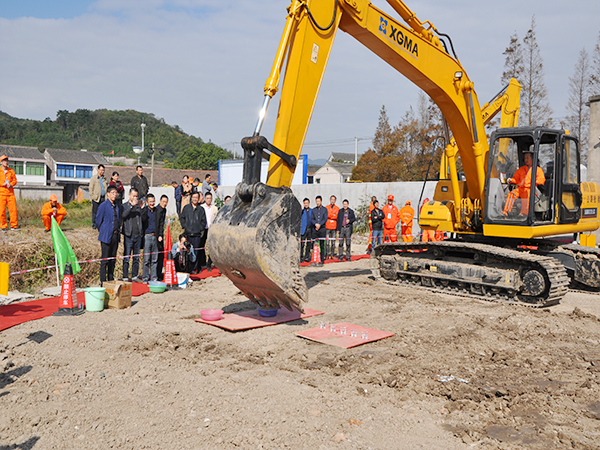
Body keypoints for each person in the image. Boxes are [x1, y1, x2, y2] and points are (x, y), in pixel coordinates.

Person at [502, 150, 545, 217]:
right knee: (511, 194)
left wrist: (535, 182)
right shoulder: (521, 169)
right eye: (525, 158)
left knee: (526, 195)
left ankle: (523, 213)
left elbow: (541, 180)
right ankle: (506, 212)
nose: (526, 160)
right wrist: (511, 180)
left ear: (532, 159)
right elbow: (515, 179)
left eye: (528, 158)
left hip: (530, 189)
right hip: (520, 188)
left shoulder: (538, 170)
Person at [96, 185, 120, 285]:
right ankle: (103, 281)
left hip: (115, 235)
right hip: (106, 235)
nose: (114, 195)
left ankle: (110, 278)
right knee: (105, 259)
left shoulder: (117, 205)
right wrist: (103, 230)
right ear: (108, 194)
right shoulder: (103, 205)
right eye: (112, 193)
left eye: (115, 193)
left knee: (112, 259)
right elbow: (98, 220)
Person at [179, 191, 206, 274]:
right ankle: (188, 268)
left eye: (196, 198)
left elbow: (203, 222)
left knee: (196, 253)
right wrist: (185, 226)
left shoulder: (201, 209)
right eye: (193, 197)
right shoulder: (186, 208)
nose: (195, 199)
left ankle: (194, 269)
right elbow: (182, 218)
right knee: (187, 252)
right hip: (188, 234)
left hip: (197, 235)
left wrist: (199, 229)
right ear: (191, 198)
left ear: (198, 199)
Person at [121, 188, 145, 282]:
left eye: (136, 196)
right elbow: (123, 216)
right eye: (133, 196)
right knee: (127, 257)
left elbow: (143, 218)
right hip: (128, 235)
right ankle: (125, 276)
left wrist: (142, 209)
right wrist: (131, 206)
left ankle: (135, 276)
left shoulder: (139, 207)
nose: (135, 198)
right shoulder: (125, 206)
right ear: (129, 195)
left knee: (136, 257)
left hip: (138, 235)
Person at [142, 194, 161, 282]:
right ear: (147, 202)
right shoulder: (145, 211)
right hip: (147, 237)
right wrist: (143, 209)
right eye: (150, 202)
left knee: (154, 259)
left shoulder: (157, 211)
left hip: (155, 237)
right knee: (146, 259)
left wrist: (160, 235)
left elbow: (160, 224)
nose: (152, 203)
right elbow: (142, 219)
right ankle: (145, 277)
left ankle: (154, 277)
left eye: (153, 201)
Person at [199, 192, 218, 270]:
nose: (209, 200)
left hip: (211, 229)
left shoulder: (214, 208)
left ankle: (210, 263)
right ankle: (202, 262)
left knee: (211, 247)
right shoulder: (201, 207)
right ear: (204, 199)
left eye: (210, 198)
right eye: (207, 198)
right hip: (203, 229)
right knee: (201, 246)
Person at [0, 155, 18, 231]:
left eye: (7, 161)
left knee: (13, 210)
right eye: (4, 161)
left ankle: (14, 226)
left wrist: (11, 184)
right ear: (1, 162)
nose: (6, 162)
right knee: (1, 211)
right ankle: (3, 226)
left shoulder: (11, 171)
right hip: (2, 193)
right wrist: (2, 184)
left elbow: (15, 180)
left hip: (10, 193)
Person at [89, 164, 107, 230]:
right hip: (96, 198)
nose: (102, 171)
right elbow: (91, 188)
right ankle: (94, 223)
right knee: (95, 211)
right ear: (98, 170)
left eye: (103, 170)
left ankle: (101, 223)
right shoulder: (94, 178)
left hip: (103, 197)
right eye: (101, 170)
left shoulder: (104, 179)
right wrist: (92, 196)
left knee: (102, 211)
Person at [310, 195, 327, 264]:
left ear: (321, 201)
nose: (317, 202)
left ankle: (322, 259)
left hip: (322, 229)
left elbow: (325, 219)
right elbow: (312, 219)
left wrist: (319, 224)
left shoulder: (325, 209)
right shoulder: (314, 210)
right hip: (315, 229)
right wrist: (316, 224)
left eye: (319, 201)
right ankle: (314, 258)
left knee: (322, 244)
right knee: (314, 244)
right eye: (316, 201)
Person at [156, 194, 168, 280]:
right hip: (157, 235)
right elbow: (157, 225)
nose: (164, 203)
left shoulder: (164, 210)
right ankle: (156, 274)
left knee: (161, 255)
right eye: (163, 202)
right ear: (160, 201)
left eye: (166, 202)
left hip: (161, 234)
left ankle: (159, 273)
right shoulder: (157, 210)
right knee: (156, 256)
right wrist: (159, 235)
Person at [325, 195, 340, 259]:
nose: (332, 201)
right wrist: (332, 215)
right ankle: (327, 254)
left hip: (334, 227)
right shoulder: (326, 207)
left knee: (333, 242)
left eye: (334, 200)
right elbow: (326, 215)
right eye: (331, 199)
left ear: (335, 200)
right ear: (330, 200)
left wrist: (331, 216)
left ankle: (332, 254)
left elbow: (337, 217)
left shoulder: (337, 208)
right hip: (327, 226)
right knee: (327, 242)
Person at [300, 198, 312, 262]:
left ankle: (307, 257)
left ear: (309, 203)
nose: (306, 204)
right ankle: (301, 257)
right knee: (302, 244)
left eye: (307, 203)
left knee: (309, 244)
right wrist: (301, 209)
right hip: (303, 229)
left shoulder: (311, 210)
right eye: (305, 203)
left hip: (309, 229)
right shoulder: (302, 211)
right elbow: (298, 215)